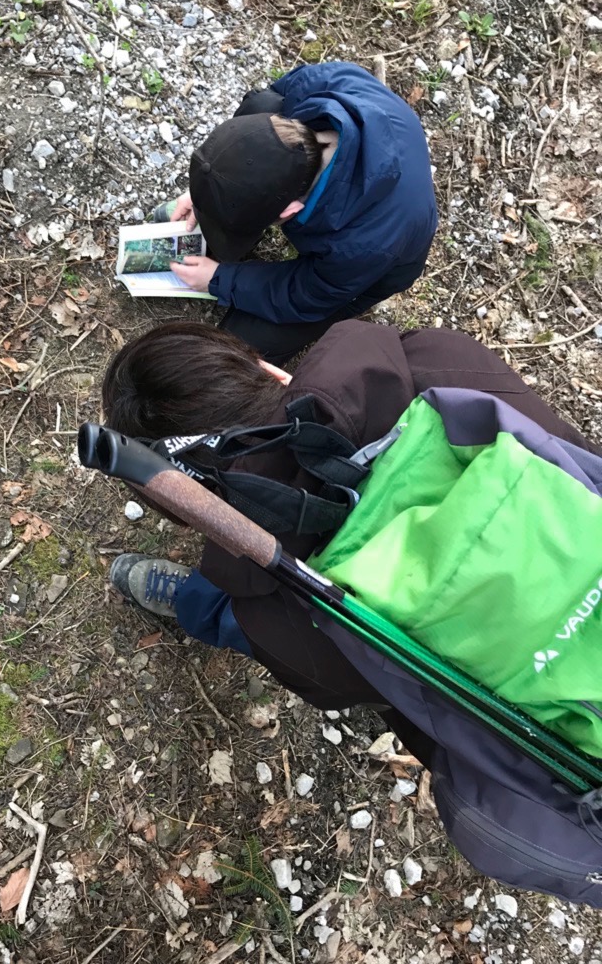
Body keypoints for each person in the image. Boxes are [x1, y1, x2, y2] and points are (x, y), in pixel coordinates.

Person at [102, 319, 598, 757]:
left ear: (188, 512)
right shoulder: (435, 361)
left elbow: (357, 690)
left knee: (241, 614)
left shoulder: (272, 612)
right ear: (272, 370)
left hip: (291, 595)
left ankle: (201, 606)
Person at [158, 61, 438, 364]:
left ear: (291, 210)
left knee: (239, 349)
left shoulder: (362, 246)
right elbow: (253, 136)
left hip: (369, 274)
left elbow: (304, 294)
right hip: (352, 210)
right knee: (263, 103)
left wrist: (217, 279)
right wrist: (211, 184)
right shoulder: (323, 83)